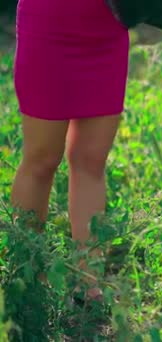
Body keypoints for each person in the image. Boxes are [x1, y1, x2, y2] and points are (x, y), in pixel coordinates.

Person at [11, 0, 130, 301]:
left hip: (109, 29)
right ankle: (27, 275)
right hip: (49, 24)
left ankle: (88, 282)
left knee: (91, 161)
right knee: (41, 159)